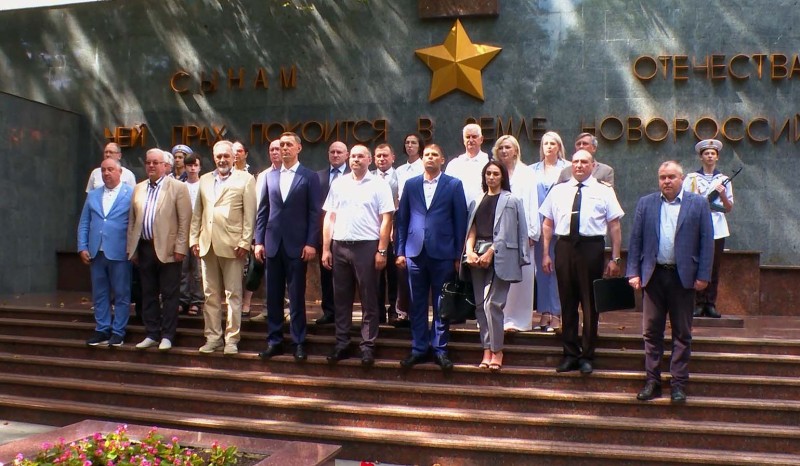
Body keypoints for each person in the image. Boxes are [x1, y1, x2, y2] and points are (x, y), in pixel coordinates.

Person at [627, 161, 714, 403]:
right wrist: (633, 271)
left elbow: (707, 241)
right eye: (662, 177)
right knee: (651, 332)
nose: (666, 181)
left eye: (671, 177)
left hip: (683, 277)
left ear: (682, 179)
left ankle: (678, 385)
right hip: (653, 276)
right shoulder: (646, 203)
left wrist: (703, 275)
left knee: (682, 333)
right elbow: (635, 239)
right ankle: (652, 382)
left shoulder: (698, 204)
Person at [540, 149, 623, 375]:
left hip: (591, 248)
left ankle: (587, 355)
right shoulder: (558, 190)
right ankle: (569, 354)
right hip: (564, 247)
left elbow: (614, 226)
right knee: (567, 303)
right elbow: (547, 223)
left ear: (593, 165)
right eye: (575, 161)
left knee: (590, 305)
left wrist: (615, 258)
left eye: (584, 162)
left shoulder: (604, 191)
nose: (578, 165)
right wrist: (546, 254)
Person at [395, 144, 467, 372]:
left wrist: (458, 254)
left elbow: (460, 221)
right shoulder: (411, 184)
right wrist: (400, 251)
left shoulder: (454, 185)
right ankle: (418, 348)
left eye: (435, 155)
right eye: (427, 155)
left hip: (443, 253)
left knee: (441, 304)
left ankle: (440, 349)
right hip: (415, 253)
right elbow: (402, 220)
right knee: (416, 303)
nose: (430, 158)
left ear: (442, 160)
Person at [322, 144, 394, 366]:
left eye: (360, 156)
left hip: (367, 247)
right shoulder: (339, 183)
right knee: (341, 298)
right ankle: (342, 343)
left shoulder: (379, 185)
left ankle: (367, 346)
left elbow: (386, 219)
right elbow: (330, 217)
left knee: (369, 298)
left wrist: (382, 250)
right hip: (340, 246)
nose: (355, 159)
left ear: (369, 160)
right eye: (353, 156)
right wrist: (326, 248)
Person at [254, 132, 321, 362]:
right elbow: (263, 211)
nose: (284, 148)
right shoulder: (269, 177)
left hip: (297, 245)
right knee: (272, 296)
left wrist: (311, 242)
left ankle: (298, 341)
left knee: (296, 296)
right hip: (272, 244)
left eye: (288, 145)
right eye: (281, 144)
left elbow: (314, 213)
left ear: (298, 148)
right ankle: (274, 341)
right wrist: (258, 241)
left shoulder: (309, 176)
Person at [190, 140, 256, 355]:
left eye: (226, 156)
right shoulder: (204, 179)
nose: (222, 160)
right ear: (214, 157)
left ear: (234, 157)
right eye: (219, 156)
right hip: (207, 245)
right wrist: (194, 239)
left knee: (233, 295)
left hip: (233, 246)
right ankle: (212, 338)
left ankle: (231, 340)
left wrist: (245, 242)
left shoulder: (246, 179)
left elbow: (250, 215)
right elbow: (197, 213)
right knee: (210, 295)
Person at [462, 161, 529, 371]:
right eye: (488, 173)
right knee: (480, 305)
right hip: (476, 255)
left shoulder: (512, 200)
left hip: (501, 256)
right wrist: (469, 251)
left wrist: (491, 252)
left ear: (502, 177)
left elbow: (516, 231)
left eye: (496, 174)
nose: (491, 177)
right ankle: (486, 349)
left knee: (493, 304)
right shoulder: (477, 200)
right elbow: (471, 229)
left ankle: (497, 350)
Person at [128, 148, 192, 351]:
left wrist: (181, 247)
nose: (151, 166)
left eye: (155, 162)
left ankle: (167, 335)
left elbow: (185, 221)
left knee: (170, 294)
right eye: (148, 162)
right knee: (148, 293)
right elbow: (132, 221)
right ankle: (152, 333)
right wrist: (132, 250)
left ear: (165, 166)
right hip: (144, 247)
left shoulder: (178, 187)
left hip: (169, 249)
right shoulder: (139, 188)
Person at [77, 157, 134, 347]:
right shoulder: (93, 195)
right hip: (96, 252)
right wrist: (82, 246)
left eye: (110, 169)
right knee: (100, 293)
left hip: (120, 252)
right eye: (103, 170)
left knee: (121, 293)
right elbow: (84, 223)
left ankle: (118, 331)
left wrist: (133, 249)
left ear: (120, 172)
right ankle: (102, 329)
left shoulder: (130, 193)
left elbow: (135, 223)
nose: (106, 173)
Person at [682, 139, 734, 318]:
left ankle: (710, 303)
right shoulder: (691, 178)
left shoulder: (724, 180)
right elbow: (684, 202)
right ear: (701, 157)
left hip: (717, 227)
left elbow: (728, 207)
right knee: (697, 264)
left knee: (714, 266)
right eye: (706, 153)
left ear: (717, 157)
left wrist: (722, 194)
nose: (710, 156)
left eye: (713, 153)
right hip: (696, 226)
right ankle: (698, 303)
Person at [493, 135, 539, 332]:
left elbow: (532, 203)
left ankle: (519, 321)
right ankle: (497, 319)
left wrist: (532, 233)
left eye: (508, 147)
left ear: (516, 151)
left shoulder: (527, 173)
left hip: (522, 230)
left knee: (522, 278)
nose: (504, 151)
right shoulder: (493, 171)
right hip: (498, 231)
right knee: (498, 276)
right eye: (501, 147)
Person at [530, 131, 569, 333]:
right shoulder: (532, 170)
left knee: (557, 272)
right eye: (545, 143)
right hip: (539, 228)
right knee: (542, 271)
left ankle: (556, 313)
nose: (549, 147)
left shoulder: (568, 168)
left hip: (561, 229)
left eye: (553, 143)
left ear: (559, 146)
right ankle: (544, 312)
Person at [391, 133, 425, 328]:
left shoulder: (424, 167)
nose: (410, 145)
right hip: (402, 218)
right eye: (407, 143)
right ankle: (402, 311)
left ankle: (416, 312)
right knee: (402, 266)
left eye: (413, 142)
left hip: (419, 218)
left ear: (420, 146)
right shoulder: (399, 170)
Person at [315, 141, 351, 325]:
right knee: (326, 276)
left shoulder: (355, 175)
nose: (335, 155)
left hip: (349, 234)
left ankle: (347, 314)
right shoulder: (318, 177)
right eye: (332, 152)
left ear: (347, 155)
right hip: (324, 234)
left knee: (349, 279)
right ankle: (329, 311)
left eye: (339, 152)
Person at [250, 138, 284, 323]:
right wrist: (257, 238)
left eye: (278, 149)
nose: (275, 152)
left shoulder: (296, 174)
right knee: (269, 276)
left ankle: (289, 311)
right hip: (269, 234)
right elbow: (259, 207)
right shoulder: (263, 175)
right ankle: (267, 311)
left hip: (289, 234)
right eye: (272, 149)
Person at [372, 143, 400, 324]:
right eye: (378, 156)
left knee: (394, 274)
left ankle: (395, 310)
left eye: (385, 155)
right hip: (373, 233)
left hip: (395, 233)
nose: (382, 159)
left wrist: (394, 228)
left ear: (393, 158)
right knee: (375, 276)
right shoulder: (368, 177)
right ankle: (378, 311)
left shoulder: (401, 176)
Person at [179, 153, 204, 316]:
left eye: (195, 165)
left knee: (198, 269)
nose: (192, 168)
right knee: (182, 268)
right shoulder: (180, 186)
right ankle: (183, 299)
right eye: (189, 165)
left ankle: (197, 301)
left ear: (200, 167)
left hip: (200, 232)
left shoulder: (204, 185)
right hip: (183, 231)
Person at [444, 123, 490, 208]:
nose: (471, 140)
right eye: (468, 137)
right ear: (463, 140)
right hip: (458, 210)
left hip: (483, 210)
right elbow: (446, 190)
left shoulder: (488, 162)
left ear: (481, 139)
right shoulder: (454, 164)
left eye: (474, 137)